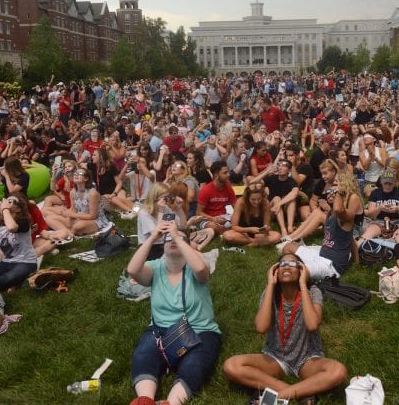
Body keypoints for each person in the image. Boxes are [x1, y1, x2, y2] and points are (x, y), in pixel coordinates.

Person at [222, 254, 347, 405]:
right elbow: (261, 327)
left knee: (338, 371)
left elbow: (313, 324)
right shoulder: (269, 293)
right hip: (275, 357)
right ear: (275, 270)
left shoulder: (313, 292)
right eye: (282, 264)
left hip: (307, 359)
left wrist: (303, 283)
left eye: (293, 264)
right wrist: (270, 284)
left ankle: (277, 394)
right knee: (231, 366)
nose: (286, 266)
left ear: (302, 270)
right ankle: (302, 392)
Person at [127, 216, 221, 405]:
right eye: (167, 239)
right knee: (143, 355)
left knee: (195, 365)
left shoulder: (196, 265)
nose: (171, 241)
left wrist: (178, 237)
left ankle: (172, 402)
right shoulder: (155, 268)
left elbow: (201, 268)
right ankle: (145, 400)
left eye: (176, 239)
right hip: (160, 329)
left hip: (200, 329)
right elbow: (133, 269)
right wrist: (153, 236)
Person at [283, 171, 361, 280]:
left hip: (331, 266)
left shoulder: (345, 215)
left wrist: (338, 193)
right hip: (321, 255)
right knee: (287, 247)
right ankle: (301, 265)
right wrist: (356, 260)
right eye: (330, 190)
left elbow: (339, 209)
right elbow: (350, 239)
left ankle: (303, 275)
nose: (330, 192)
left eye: (334, 187)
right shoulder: (330, 212)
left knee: (298, 273)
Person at [0, 192, 37, 292]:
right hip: (5, 262)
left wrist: (5, 209)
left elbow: (11, 227)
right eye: (7, 200)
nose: (7, 203)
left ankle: (22, 279)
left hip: (26, 262)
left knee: (2, 281)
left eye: (11, 201)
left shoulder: (24, 221)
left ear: (19, 208)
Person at [222, 182, 281, 246]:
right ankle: (255, 242)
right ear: (247, 198)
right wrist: (249, 229)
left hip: (258, 233)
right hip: (242, 233)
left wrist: (265, 229)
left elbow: (267, 225)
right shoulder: (241, 203)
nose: (256, 202)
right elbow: (234, 227)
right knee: (227, 235)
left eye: (259, 199)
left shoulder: (265, 203)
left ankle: (248, 242)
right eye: (253, 199)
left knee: (277, 236)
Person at [195, 161, 236, 236]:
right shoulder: (206, 190)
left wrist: (235, 217)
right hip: (208, 219)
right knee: (212, 227)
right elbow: (198, 213)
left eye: (228, 172)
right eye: (225, 173)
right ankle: (230, 232)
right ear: (216, 176)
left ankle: (229, 231)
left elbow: (236, 207)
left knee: (239, 220)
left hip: (224, 217)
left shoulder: (229, 188)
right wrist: (213, 219)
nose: (228, 175)